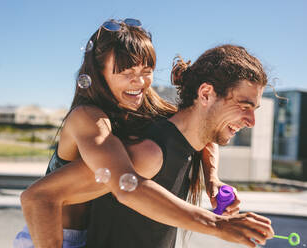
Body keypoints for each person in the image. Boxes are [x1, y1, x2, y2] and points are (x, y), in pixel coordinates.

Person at [20, 44, 275, 247]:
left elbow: (204, 137)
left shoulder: (185, 134)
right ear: (205, 93)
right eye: (244, 106)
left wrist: (213, 179)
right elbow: (39, 196)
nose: (251, 121)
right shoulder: (148, 153)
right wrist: (218, 225)